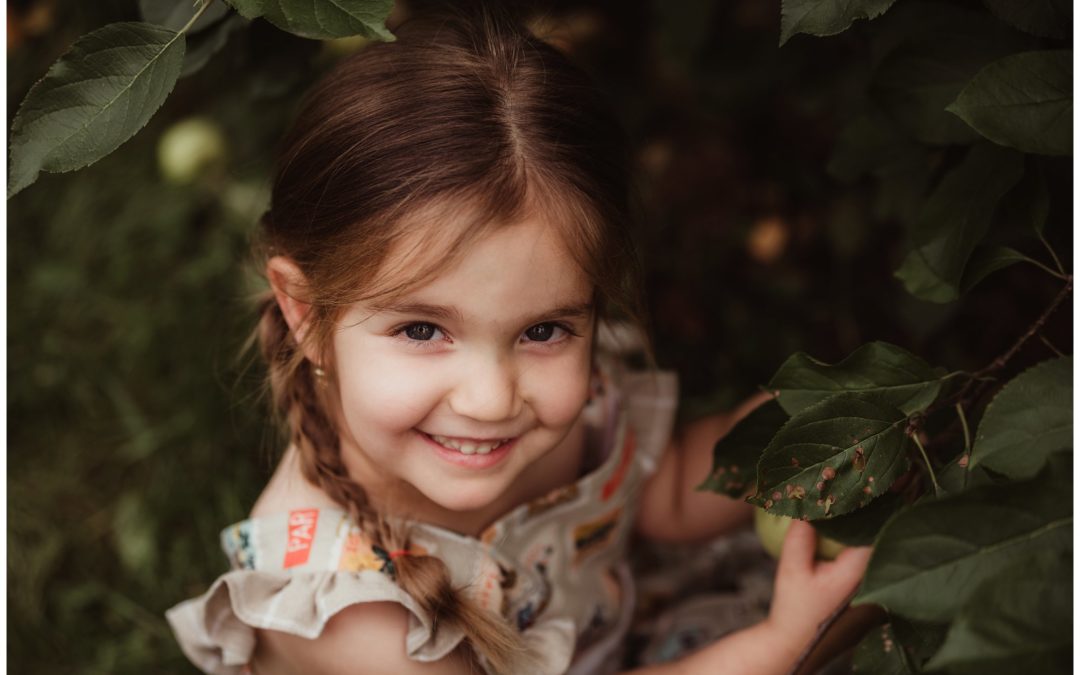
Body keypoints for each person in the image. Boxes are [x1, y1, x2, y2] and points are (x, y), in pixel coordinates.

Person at [166, 6, 871, 674]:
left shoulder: (545, 412)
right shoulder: (355, 621)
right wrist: (779, 642)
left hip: (612, 630)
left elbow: (662, 499)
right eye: (421, 328)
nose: (491, 397)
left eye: (542, 330)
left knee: (864, 592)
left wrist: (814, 430)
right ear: (305, 315)